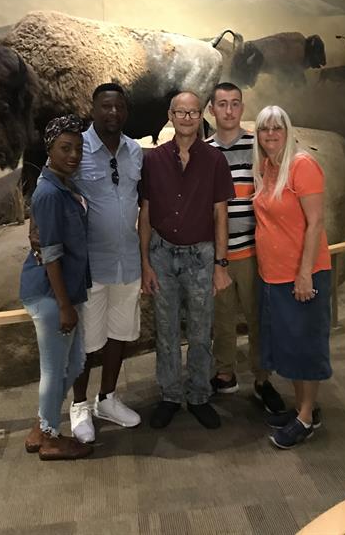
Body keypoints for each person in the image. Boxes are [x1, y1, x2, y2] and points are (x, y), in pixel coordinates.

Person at [139, 91, 235, 430]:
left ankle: (198, 395)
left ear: (200, 116)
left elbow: (220, 214)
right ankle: (169, 395)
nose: (187, 118)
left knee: (200, 329)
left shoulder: (214, 160)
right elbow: (146, 213)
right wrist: (145, 264)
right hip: (162, 254)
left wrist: (220, 264)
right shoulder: (153, 160)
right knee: (165, 330)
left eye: (193, 112)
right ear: (170, 115)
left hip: (201, 255)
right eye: (180, 112)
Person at [252, 105, 332, 449]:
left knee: (306, 346)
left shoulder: (302, 166)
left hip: (302, 274)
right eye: (264, 129)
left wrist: (304, 274)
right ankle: (303, 408)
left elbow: (315, 223)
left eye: (277, 128)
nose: (270, 134)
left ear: (287, 131)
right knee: (291, 345)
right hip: (274, 275)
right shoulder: (269, 167)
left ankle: (305, 418)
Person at [68, 83, 142, 443]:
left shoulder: (135, 150)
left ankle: (107, 399)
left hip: (127, 262)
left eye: (119, 107)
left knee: (119, 334)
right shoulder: (75, 149)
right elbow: (53, 188)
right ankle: (79, 405)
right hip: (90, 266)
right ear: (93, 109)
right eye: (106, 106)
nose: (113, 112)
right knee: (86, 341)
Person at [206, 83, 285, 415]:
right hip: (219, 254)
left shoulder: (257, 145)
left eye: (235, 103)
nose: (229, 110)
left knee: (258, 317)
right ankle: (224, 373)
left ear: (242, 107)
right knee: (221, 317)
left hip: (255, 251)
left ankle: (263, 379)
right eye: (222, 104)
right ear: (211, 109)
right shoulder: (205, 151)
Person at [20, 114, 93, 460]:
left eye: (78, 148)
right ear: (50, 149)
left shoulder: (65, 184)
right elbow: (50, 253)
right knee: (54, 369)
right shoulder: (49, 192)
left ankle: (42, 424)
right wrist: (64, 305)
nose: (73, 155)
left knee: (75, 363)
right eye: (65, 148)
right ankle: (49, 438)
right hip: (51, 293)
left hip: (67, 289)